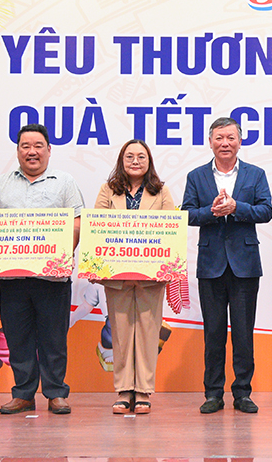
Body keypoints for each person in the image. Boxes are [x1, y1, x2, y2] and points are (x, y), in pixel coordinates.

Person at [0, 123, 84, 416]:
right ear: (17, 152)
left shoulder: (64, 182)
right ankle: (23, 394)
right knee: (18, 337)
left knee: (54, 337)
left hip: (52, 276)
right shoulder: (1, 185)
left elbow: (77, 222)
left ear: (49, 151)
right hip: (12, 277)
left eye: (38, 145)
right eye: (25, 146)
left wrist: (60, 254)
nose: (32, 151)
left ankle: (56, 393)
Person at [181, 117, 272, 414]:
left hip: (245, 265)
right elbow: (187, 215)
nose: (225, 143)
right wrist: (211, 211)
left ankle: (243, 392)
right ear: (210, 141)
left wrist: (237, 208)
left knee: (244, 333)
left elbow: (266, 210)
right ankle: (213, 393)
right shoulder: (196, 176)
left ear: (240, 141)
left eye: (231, 138)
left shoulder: (255, 174)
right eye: (219, 138)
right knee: (214, 333)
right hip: (210, 265)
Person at [94, 139, 175, 415]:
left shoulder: (161, 192)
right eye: (129, 156)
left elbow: (170, 232)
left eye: (141, 156)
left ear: (149, 161)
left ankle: (143, 391)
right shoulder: (108, 191)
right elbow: (98, 229)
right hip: (116, 277)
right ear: (121, 160)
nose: (135, 161)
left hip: (151, 277)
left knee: (149, 332)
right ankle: (123, 390)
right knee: (120, 334)